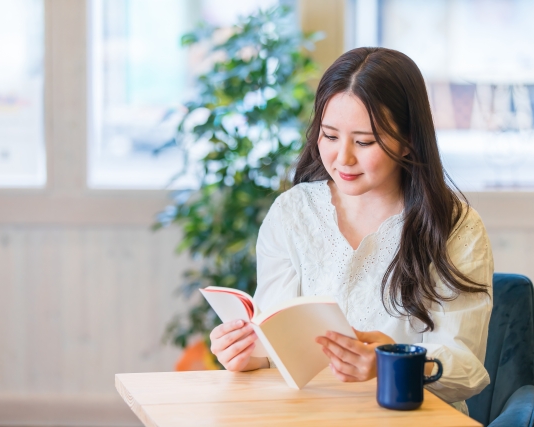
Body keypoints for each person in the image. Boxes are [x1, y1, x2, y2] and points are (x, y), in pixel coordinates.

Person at [208, 47, 494, 414]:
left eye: (364, 142)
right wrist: (249, 354)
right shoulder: (293, 212)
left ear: (408, 140)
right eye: (329, 136)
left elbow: (466, 370)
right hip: (310, 417)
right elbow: (278, 343)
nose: (342, 158)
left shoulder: (455, 226)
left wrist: (389, 363)